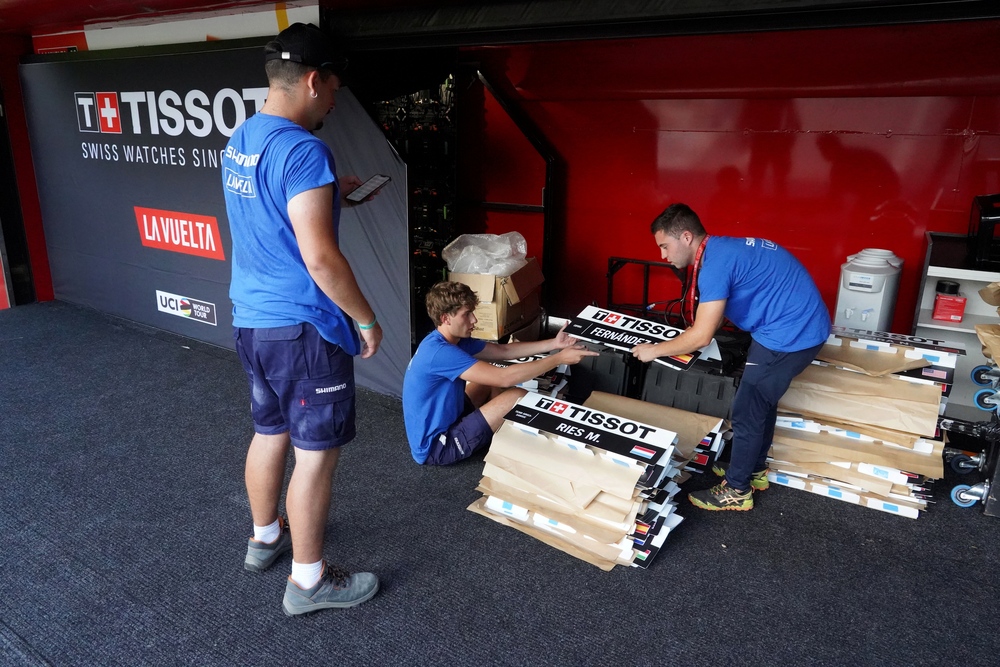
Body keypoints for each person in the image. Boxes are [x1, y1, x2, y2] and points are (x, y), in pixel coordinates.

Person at [222, 22, 382, 616]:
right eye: (335, 89)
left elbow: (271, 205)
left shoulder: (242, 140)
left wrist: (328, 190)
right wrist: (365, 320)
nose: (336, 102)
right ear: (313, 81)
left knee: (270, 430)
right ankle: (308, 582)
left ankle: (265, 539)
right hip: (304, 330)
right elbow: (319, 257)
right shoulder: (305, 149)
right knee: (315, 454)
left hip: (253, 324)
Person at [631, 203, 830, 512]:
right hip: (791, 327)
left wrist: (652, 351)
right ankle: (754, 470)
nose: (663, 256)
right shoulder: (723, 249)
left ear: (686, 237)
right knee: (761, 401)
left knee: (747, 409)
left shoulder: (715, 265)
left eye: (664, 246)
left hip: (791, 335)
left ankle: (738, 490)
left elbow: (700, 337)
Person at [403, 281, 598, 465]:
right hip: (438, 447)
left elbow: (503, 352)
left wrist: (554, 344)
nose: (474, 320)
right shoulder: (441, 353)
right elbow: (504, 378)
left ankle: (495, 432)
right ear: (445, 318)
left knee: (489, 379)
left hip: (451, 416)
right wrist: (558, 359)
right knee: (517, 396)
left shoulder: (447, 340)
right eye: (467, 314)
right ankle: (502, 437)